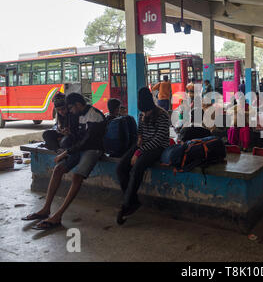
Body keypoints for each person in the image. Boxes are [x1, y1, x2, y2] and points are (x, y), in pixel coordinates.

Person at [22, 93, 106, 230]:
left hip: (93, 149)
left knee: (77, 176)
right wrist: (65, 145)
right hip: (79, 148)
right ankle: (45, 209)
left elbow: (87, 142)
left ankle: (58, 216)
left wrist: (66, 152)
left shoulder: (95, 115)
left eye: (71, 108)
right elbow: (75, 137)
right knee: (58, 169)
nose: (70, 111)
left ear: (78, 105)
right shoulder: (76, 114)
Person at [116, 88, 170, 224]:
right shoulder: (142, 115)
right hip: (143, 145)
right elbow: (140, 131)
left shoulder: (162, 115)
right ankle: (133, 201)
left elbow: (159, 139)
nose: (145, 114)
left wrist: (138, 152)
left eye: (147, 111)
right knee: (121, 167)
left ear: (152, 106)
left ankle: (126, 205)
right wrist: (139, 140)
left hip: (157, 147)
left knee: (137, 168)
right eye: (143, 112)